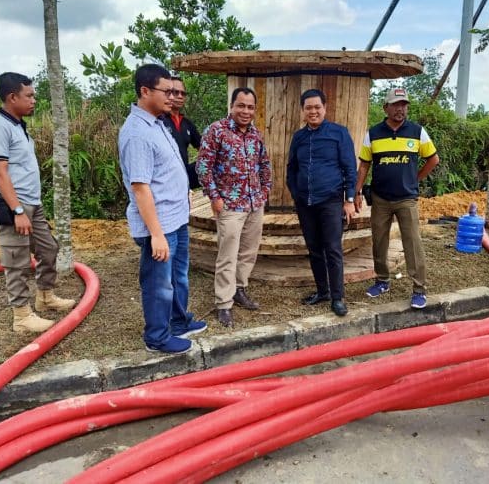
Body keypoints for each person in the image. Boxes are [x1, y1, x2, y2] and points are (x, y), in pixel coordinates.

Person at [119, 64, 207, 354]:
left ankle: (179, 322)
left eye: (175, 91)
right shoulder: (137, 134)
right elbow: (141, 188)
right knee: (159, 283)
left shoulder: (158, 123)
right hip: (160, 225)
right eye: (166, 91)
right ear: (145, 91)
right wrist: (156, 234)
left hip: (176, 217)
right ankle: (157, 336)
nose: (173, 97)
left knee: (179, 275)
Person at [0, 72, 76, 333]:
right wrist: (18, 210)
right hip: (14, 205)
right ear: (12, 97)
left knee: (48, 248)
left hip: (30, 202)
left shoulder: (17, 125)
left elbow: (4, 166)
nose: (34, 100)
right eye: (29, 95)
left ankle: (45, 297)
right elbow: (0, 171)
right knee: (17, 258)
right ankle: (21, 316)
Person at [354, 88, 440, 309]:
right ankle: (382, 280)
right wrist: (357, 191)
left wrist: (415, 178)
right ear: (386, 108)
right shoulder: (373, 133)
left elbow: (433, 159)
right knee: (379, 241)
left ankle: (419, 289)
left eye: (404, 104)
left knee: (413, 243)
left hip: (406, 199)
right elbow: (364, 165)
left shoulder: (417, 132)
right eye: (396, 104)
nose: (400, 109)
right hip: (380, 199)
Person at [196, 87, 272, 327]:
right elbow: (203, 166)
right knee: (227, 255)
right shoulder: (216, 131)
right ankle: (224, 303)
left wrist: (264, 191)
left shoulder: (256, 134)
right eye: (241, 105)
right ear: (232, 106)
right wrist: (214, 197)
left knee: (248, 252)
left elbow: (264, 164)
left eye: (250, 107)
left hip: (254, 203)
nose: (245, 111)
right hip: (229, 205)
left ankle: (239, 289)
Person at [286, 88, 357, 317]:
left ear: (325, 108)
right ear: (303, 110)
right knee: (314, 249)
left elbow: (350, 169)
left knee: (333, 249)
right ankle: (322, 291)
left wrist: (349, 200)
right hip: (305, 203)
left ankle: (337, 298)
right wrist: (295, 193)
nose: (313, 111)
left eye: (317, 107)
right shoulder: (299, 137)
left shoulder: (339, 133)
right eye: (308, 108)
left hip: (331, 201)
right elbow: (291, 168)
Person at [161, 76, 202, 189]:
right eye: (175, 92)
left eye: (183, 93)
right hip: (163, 178)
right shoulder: (159, 121)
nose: (180, 96)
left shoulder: (186, 123)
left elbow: (204, 149)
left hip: (183, 174)